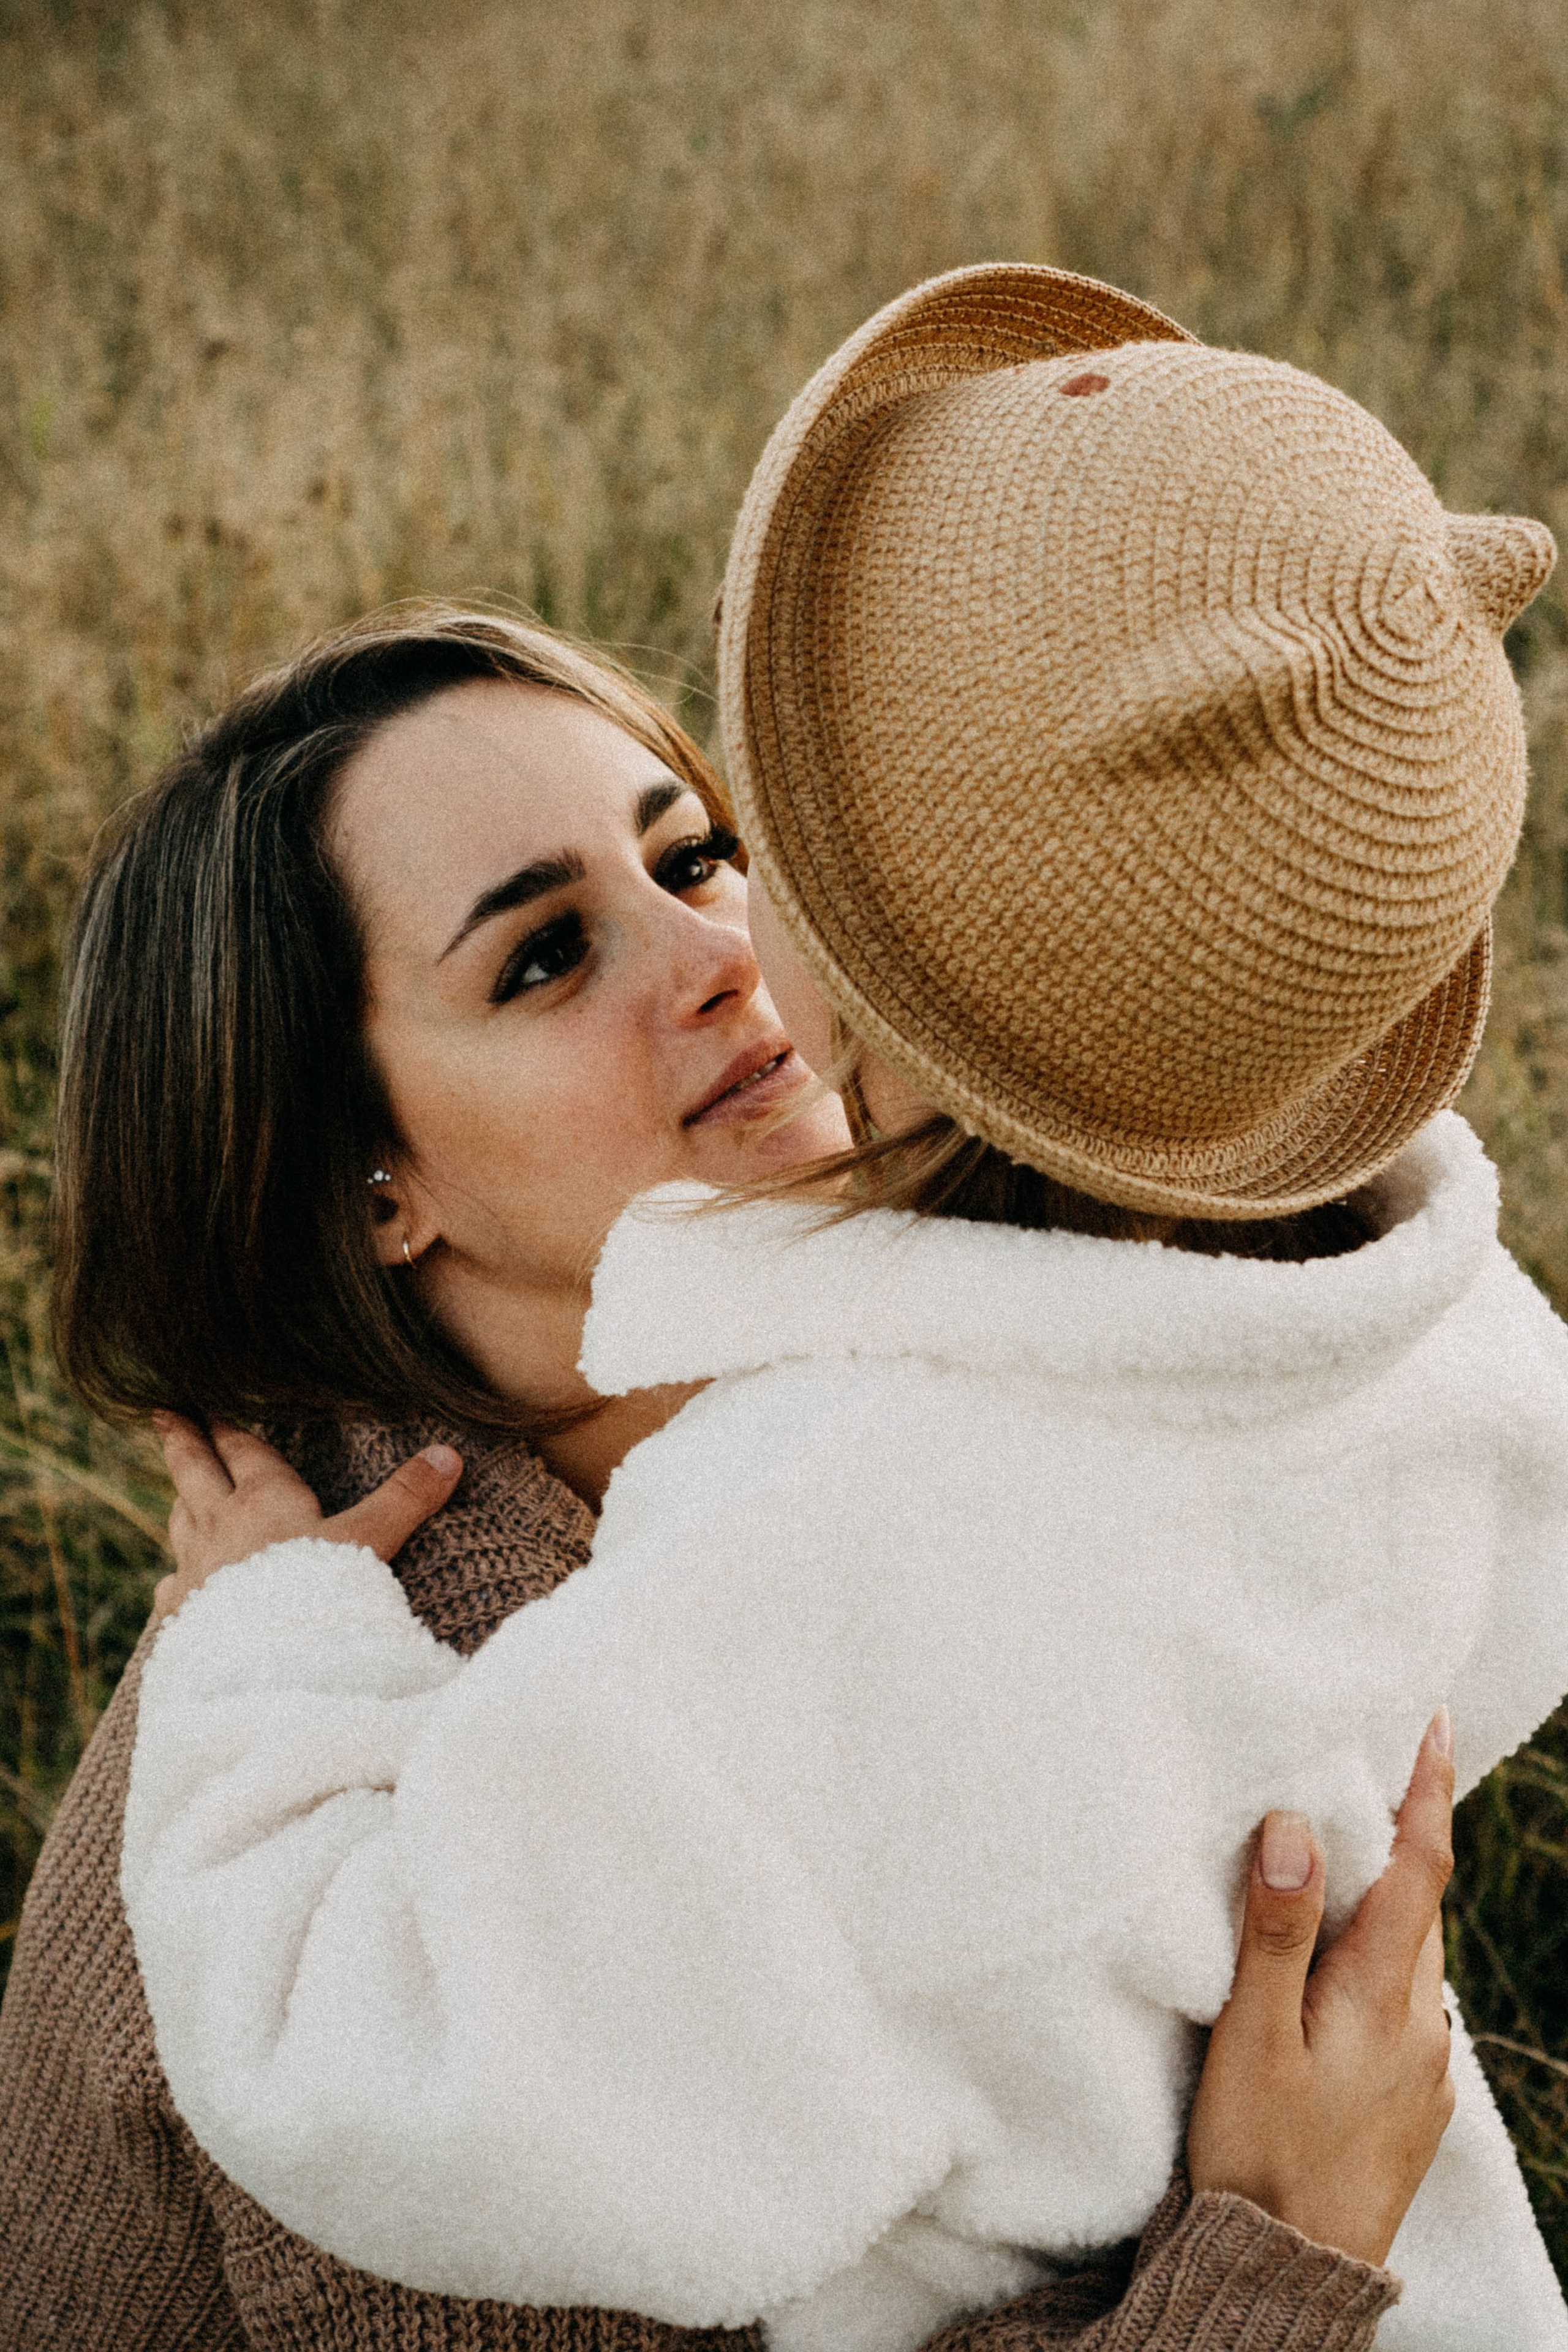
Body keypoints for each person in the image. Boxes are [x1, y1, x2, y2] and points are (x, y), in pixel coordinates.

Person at [103, 265, 1562, 2343]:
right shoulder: (1388, 1337)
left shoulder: (875, 1498)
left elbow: (389, 2039)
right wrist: (1269, 2270)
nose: (714, 955)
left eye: (702, 852)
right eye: (538, 956)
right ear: (365, 1181)